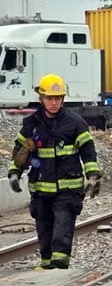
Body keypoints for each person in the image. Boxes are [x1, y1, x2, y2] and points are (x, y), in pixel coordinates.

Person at [6, 74, 102, 269]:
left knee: (63, 226)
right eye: (50, 98)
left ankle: (60, 266)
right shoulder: (31, 124)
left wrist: (93, 175)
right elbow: (19, 152)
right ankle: (46, 265)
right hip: (41, 189)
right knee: (44, 228)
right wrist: (14, 173)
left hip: (68, 189)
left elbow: (88, 151)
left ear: (63, 99)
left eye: (57, 98)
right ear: (41, 98)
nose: (54, 103)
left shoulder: (75, 123)